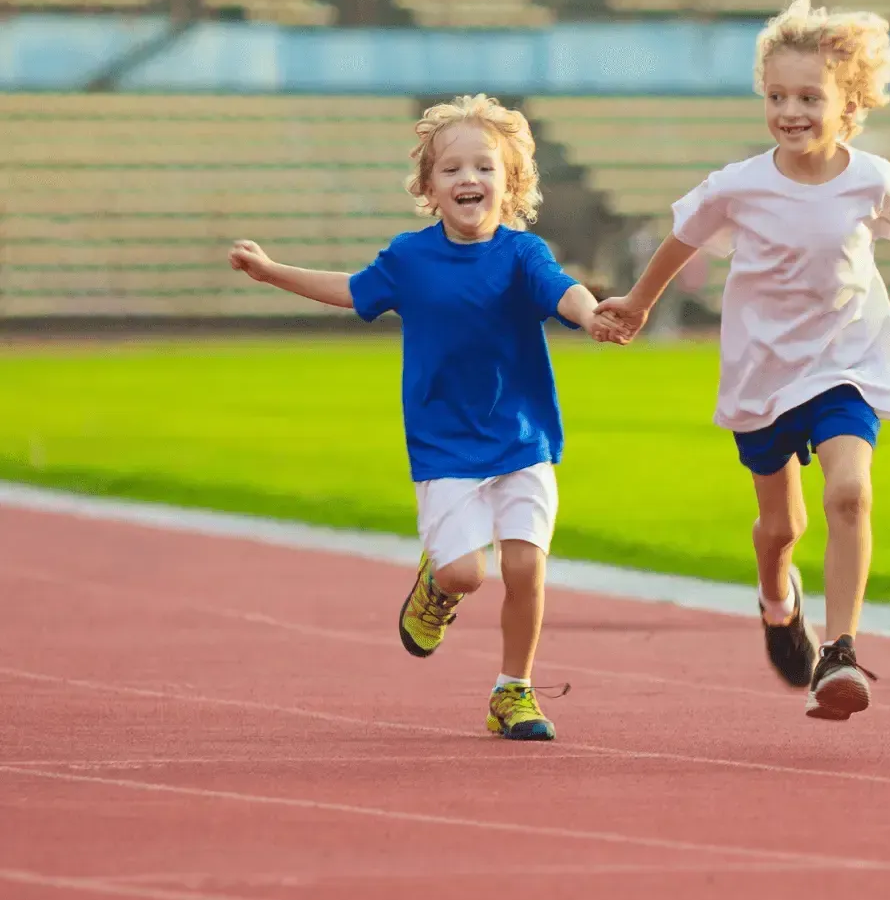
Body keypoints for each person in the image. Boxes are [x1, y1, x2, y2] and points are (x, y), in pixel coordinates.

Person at [594, 0, 890, 720]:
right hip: (763, 370)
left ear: (848, 103)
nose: (792, 111)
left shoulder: (872, 180)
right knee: (781, 528)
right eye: (777, 96)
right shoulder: (738, 186)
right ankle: (777, 601)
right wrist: (639, 302)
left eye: (810, 97)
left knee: (850, 493)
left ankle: (839, 652)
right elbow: (681, 239)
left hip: (845, 361)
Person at [228, 93, 618, 741]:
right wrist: (271, 273)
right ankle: (436, 589)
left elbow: (564, 291)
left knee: (525, 567)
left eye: (485, 168)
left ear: (511, 181)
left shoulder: (523, 254)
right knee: (467, 572)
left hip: (522, 437)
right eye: (453, 170)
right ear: (429, 188)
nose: (470, 180)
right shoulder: (409, 259)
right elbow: (352, 289)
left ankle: (512, 690)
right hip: (445, 446)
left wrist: (591, 313)